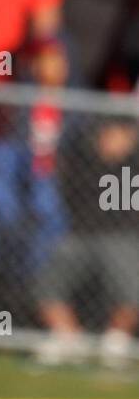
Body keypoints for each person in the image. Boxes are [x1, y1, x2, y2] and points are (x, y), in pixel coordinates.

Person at [36, 120, 139, 368]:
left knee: (132, 286)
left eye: (125, 135)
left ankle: (116, 342)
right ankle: (69, 338)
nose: (117, 140)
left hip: (122, 237)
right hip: (79, 235)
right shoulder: (81, 159)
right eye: (112, 133)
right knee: (45, 286)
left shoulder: (134, 165)